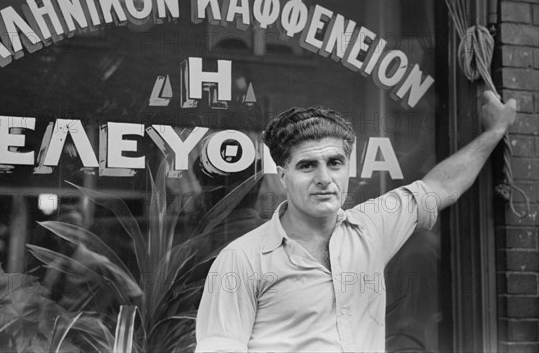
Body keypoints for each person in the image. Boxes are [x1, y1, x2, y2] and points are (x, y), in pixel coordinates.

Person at [195, 91, 517, 352]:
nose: (325, 178)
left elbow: (441, 187)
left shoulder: (372, 228)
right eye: (307, 166)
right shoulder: (241, 260)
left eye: (335, 163)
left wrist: (496, 131)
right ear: (282, 177)